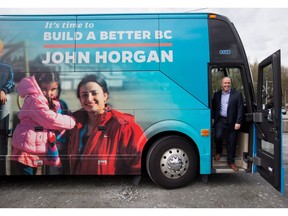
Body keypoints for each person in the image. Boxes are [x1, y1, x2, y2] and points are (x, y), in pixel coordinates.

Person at [68, 74, 147, 175]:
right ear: (80, 99)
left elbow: (140, 165)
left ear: (105, 96)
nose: (89, 99)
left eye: (94, 93)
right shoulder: (73, 124)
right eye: (84, 95)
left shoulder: (123, 126)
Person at [11, 71, 76, 175]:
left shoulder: (50, 101)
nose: (49, 93)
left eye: (53, 89)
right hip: (26, 150)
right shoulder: (36, 99)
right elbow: (50, 120)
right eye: (44, 89)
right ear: (37, 86)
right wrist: (72, 121)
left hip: (32, 148)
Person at [212, 76, 244, 171]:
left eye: (228, 83)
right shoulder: (216, 95)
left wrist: (238, 122)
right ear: (222, 84)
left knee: (232, 142)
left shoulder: (237, 94)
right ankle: (218, 151)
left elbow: (240, 109)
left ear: (230, 84)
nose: (227, 84)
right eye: (225, 83)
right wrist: (213, 118)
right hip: (220, 120)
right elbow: (214, 107)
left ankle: (231, 162)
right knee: (218, 136)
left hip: (232, 122)